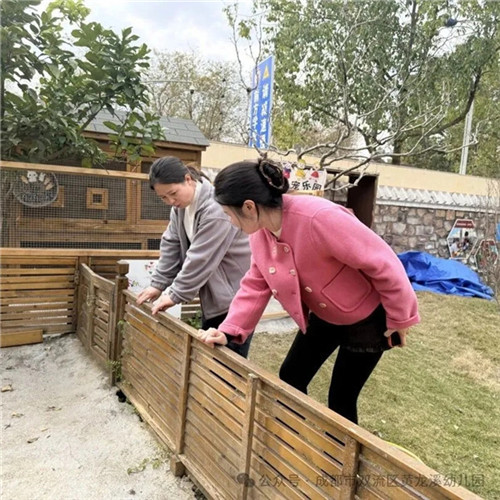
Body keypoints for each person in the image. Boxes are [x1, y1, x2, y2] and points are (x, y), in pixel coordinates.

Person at [199, 157, 420, 423]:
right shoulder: (260, 233)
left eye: (228, 214)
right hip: (325, 315)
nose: (230, 222)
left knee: (341, 398)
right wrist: (228, 330)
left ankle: (337, 450)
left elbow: (385, 264)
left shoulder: (319, 217)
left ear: (248, 207)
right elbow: (256, 283)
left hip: (367, 319)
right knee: (291, 377)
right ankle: (297, 435)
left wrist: (400, 318)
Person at [136, 156, 253, 358]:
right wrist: (158, 283)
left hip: (235, 298)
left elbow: (200, 258)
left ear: (188, 179)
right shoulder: (180, 208)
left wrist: (174, 294)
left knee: (227, 363)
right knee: (210, 358)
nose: (171, 201)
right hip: (215, 296)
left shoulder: (216, 209)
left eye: (173, 193)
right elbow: (171, 243)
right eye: (163, 198)